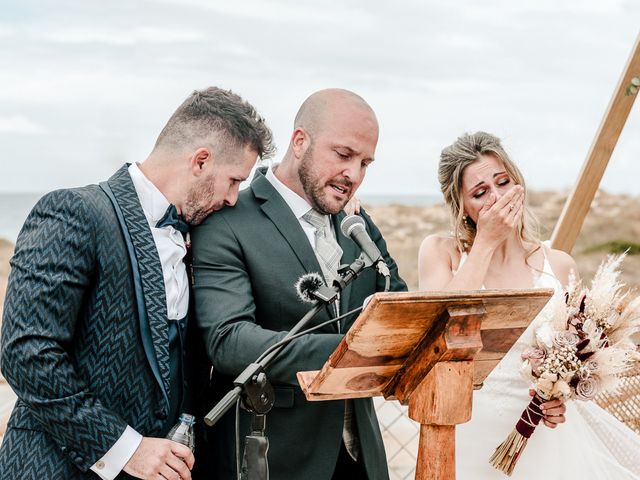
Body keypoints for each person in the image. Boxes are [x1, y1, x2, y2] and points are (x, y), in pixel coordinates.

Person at [0, 87, 274, 480]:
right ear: (200, 161)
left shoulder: (202, 235)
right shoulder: (74, 213)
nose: (234, 198)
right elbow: (26, 354)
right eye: (233, 181)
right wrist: (124, 447)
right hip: (59, 468)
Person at [191, 88, 407, 480]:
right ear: (300, 141)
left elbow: (398, 304)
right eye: (343, 155)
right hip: (274, 457)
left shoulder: (356, 222)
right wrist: (352, 351)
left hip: (360, 457)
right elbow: (229, 340)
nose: (354, 176)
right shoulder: (228, 218)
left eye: (365, 163)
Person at [418, 131, 640, 479]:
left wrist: (561, 398)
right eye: (480, 193)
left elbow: (582, 357)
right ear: (462, 207)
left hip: (544, 439)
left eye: (503, 182)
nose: (497, 197)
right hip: (469, 431)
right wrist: (485, 244)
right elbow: (441, 333)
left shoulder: (559, 265)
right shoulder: (441, 253)